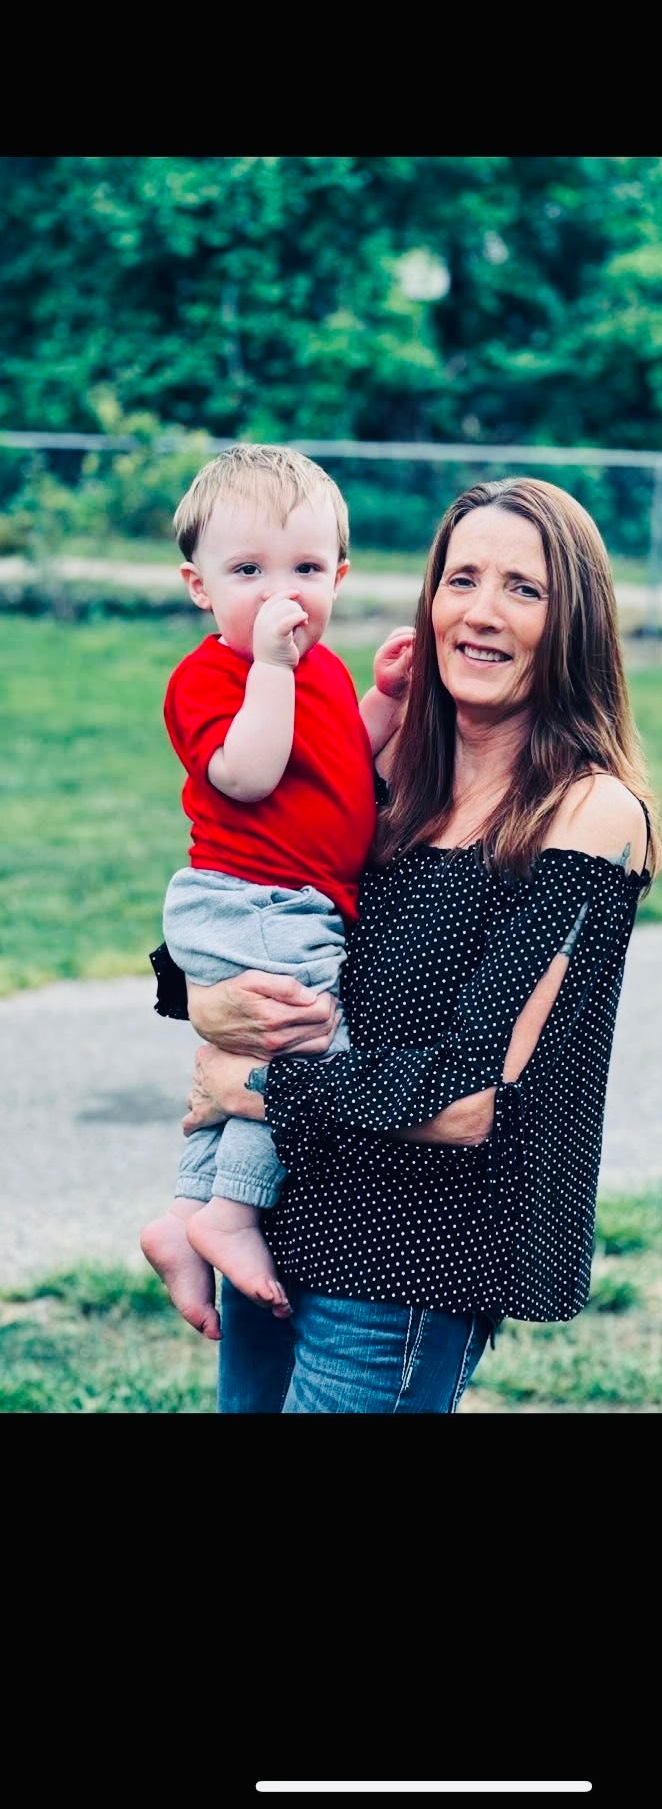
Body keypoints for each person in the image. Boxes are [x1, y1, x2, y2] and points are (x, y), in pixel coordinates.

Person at [164, 475, 660, 1413]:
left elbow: (471, 1099)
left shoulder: (589, 815)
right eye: (460, 579)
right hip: (280, 1219)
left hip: (403, 1263)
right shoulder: (395, 769)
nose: (480, 613)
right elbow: (262, 908)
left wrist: (249, 1084)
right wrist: (199, 1000)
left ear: (575, 623)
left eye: (523, 588)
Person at [140, 444, 414, 1340]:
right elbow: (249, 772)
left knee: (259, 1054)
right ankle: (234, 1213)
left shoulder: (320, 669)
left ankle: (186, 1216)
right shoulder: (209, 678)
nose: (279, 594)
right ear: (199, 587)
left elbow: (335, 763)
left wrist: (385, 701)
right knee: (305, 1050)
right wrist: (266, 669)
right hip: (249, 897)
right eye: (248, 571)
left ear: (339, 576)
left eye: (304, 569)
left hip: (286, 902)